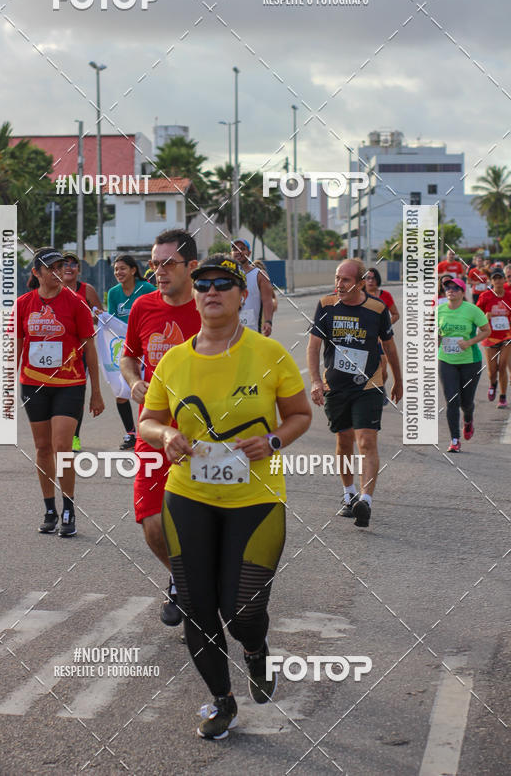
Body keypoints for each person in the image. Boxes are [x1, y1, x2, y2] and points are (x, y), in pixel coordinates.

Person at [139, 254, 311, 740]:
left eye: (223, 284)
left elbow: (299, 415)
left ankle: (255, 650)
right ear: (194, 297)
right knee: (197, 604)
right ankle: (221, 699)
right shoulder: (174, 359)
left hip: (255, 499)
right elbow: (149, 419)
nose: (211, 291)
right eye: (203, 285)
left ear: (241, 296)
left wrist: (274, 440)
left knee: (243, 610)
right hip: (189, 496)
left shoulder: (268, 354)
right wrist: (164, 436)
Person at [120, 229, 201, 627]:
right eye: (154, 263)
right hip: (153, 432)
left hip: (201, 438)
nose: (158, 271)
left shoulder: (211, 310)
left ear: (192, 267)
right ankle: (183, 580)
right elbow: (128, 357)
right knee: (153, 524)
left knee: (199, 525)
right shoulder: (142, 307)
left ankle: (197, 584)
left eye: (168, 263)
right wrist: (134, 380)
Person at [307, 258, 403, 527]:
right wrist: (315, 381)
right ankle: (349, 494)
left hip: (368, 385)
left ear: (361, 283)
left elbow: (390, 347)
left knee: (367, 441)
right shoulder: (326, 305)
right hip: (336, 386)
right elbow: (314, 347)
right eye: (337, 278)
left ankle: (366, 501)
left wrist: (398, 379)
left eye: (346, 280)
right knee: (344, 440)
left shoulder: (376, 308)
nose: (339, 284)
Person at [16, 248, 104, 536]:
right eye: (50, 268)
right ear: (36, 273)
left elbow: (89, 348)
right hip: (33, 384)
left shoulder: (76, 303)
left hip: (70, 384)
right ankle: (49, 508)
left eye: (60, 267)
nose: (57, 272)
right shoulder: (23, 304)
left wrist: (96, 392)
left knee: (63, 446)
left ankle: (68, 507)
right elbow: (16, 346)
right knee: (42, 448)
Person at [107, 255, 156, 450]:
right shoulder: (113, 293)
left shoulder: (147, 290)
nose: (119, 272)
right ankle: (131, 433)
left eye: (123, 268)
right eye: (116, 269)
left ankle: (153, 430)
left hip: (146, 347)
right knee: (121, 392)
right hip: (124, 350)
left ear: (133, 270)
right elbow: (111, 321)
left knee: (149, 392)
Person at [437, 277, 490, 452]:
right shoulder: (439, 310)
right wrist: (436, 338)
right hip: (446, 360)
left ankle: (468, 419)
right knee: (452, 400)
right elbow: (435, 332)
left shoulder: (472, 310)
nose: (450, 290)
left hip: (470, 362)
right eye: (447, 287)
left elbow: (486, 330)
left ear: (462, 292)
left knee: (466, 402)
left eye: (455, 288)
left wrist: (470, 342)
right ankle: (454, 439)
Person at [62, 252, 103, 451]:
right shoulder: (54, 290)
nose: (69, 267)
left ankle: (74, 437)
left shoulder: (87, 290)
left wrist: (90, 316)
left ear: (79, 269)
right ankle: (57, 435)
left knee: (76, 393)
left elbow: (100, 317)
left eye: (73, 264)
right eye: (65, 264)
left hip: (80, 352)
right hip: (56, 353)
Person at [364, 268, 400, 407]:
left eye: (373, 278)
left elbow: (396, 314)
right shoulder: (359, 295)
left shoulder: (385, 295)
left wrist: (384, 327)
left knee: (383, 371)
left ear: (377, 280)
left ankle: (380, 388)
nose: (370, 281)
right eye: (368, 278)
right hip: (363, 339)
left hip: (380, 340)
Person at [476, 268, 511, 408]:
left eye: (500, 278)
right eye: (494, 278)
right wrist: (485, 317)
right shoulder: (485, 296)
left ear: (504, 280)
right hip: (490, 337)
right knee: (492, 371)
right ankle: (492, 384)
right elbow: (476, 315)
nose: (497, 281)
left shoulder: (509, 295)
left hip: (507, 336)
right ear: (491, 281)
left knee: (502, 366)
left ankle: (502, 397)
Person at [230, 239, 274, 335]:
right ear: (231, 253)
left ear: (249, 253)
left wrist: (268, 322)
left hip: (253, 333)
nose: (239, 252)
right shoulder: (225, 275)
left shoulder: (259, 275)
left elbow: (267, 301)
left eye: (242, 249)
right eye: (235, 249)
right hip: (230, 334)